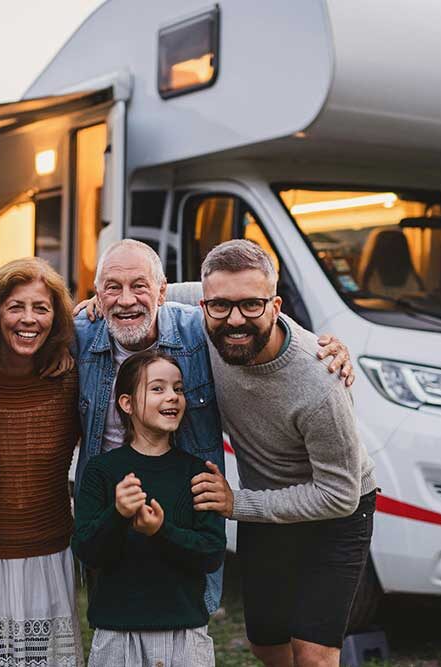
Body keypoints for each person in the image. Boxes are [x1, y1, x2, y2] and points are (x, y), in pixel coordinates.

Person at [72, 239, 354, 613]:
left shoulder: (199, 330)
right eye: (112, 287)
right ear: (98, 292)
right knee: (113, 621)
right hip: (111, 507)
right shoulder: (77, 335)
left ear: (161, 291)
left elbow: (254, 308)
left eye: (139, 286)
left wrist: (320, 345)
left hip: (186, 510)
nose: (126, 299)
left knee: (186, 622)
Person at [188, 239, 377, 667]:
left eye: (251, 306)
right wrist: (95, 303)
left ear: (275, 306)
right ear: (203, 305)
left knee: (312, 655)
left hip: (337, 511)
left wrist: (239, 503)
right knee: (267, 646)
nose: (235, 320)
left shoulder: (320, 382)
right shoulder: (206, 311)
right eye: (220, 306)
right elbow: (148, 294)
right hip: (269, 501)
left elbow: (339, 494)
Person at [72, 350, 226, 667]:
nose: (172, 397)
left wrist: (160, 531)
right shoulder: (101, 471)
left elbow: (211, 554)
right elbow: (87, 552)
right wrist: (117, 514)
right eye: (158, 388)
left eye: (178, 388)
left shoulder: (198, 472)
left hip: (184, 634)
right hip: (117, 634)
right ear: (126, 403)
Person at [0, 257, 83, 667]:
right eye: (16, 307)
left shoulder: (70, 376)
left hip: (48, 553)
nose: (28, 319)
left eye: (41, 308)